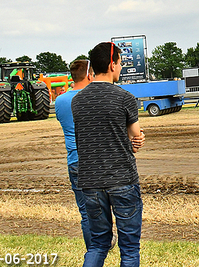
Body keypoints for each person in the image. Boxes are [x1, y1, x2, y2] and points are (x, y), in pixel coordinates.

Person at [73, 42, 145, 267]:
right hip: (122, 179)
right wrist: (138, 139)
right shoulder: (125, 98)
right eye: (120, 63)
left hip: (90, 182)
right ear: (112, 64)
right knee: (130, 249)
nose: (121, 68)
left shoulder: (77, 100)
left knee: (97, 244)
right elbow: (135, 139)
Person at [54, 60, 93, 250]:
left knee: (86, 212)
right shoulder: (92, 97)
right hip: (95, 158)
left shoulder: (60, 101)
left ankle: (93, 249)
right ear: (89, 75)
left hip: (75, 160)